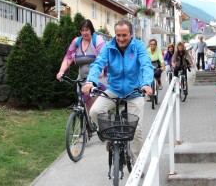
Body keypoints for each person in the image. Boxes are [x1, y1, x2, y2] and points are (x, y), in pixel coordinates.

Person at [82, 20, 153, 163]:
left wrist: (146, 84)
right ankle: (110, 137)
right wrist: (90, 81)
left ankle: (137, 164)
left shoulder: (138, 46)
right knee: (94, 111)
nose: (120, 38)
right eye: (118, 35)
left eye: (124, 35)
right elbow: (98, 64)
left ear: (131, 34)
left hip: (135, 92)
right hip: (113, 90)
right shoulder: (109, 47)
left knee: (136, 130)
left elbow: (146, 65)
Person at [56, 19, 106, 111]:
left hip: (97, 78)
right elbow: (68, 57)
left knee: (95, 108)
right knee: (83, 108)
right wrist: (61, 71)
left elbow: (103, 57)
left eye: (86, 30)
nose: (84, 33)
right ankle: (85, 125)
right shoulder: (77, 42)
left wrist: (101, 70)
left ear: (91, 30)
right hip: (82, 80)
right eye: (82, 30)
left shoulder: (97, 39)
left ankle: (99, 124)